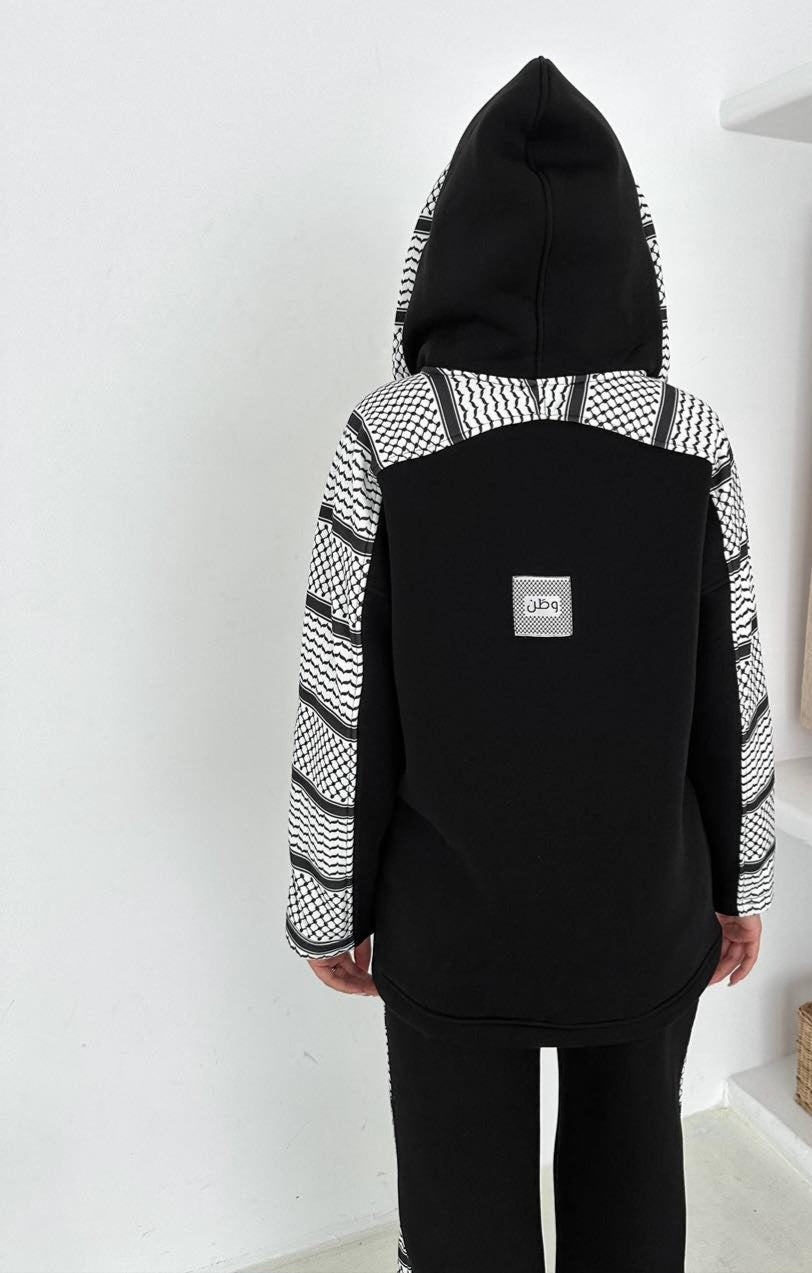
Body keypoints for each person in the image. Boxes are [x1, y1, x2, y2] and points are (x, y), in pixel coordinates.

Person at [283, 56, 775, 1273]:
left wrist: (328, 904)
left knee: (460, 1217)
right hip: (640, 908)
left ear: (445, 244)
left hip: (448, 923)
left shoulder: (389, 434)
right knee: (632, 1194)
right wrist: (739, 882)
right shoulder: (685, 436)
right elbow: (730, 683)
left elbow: (343, 690)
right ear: (630, 252)